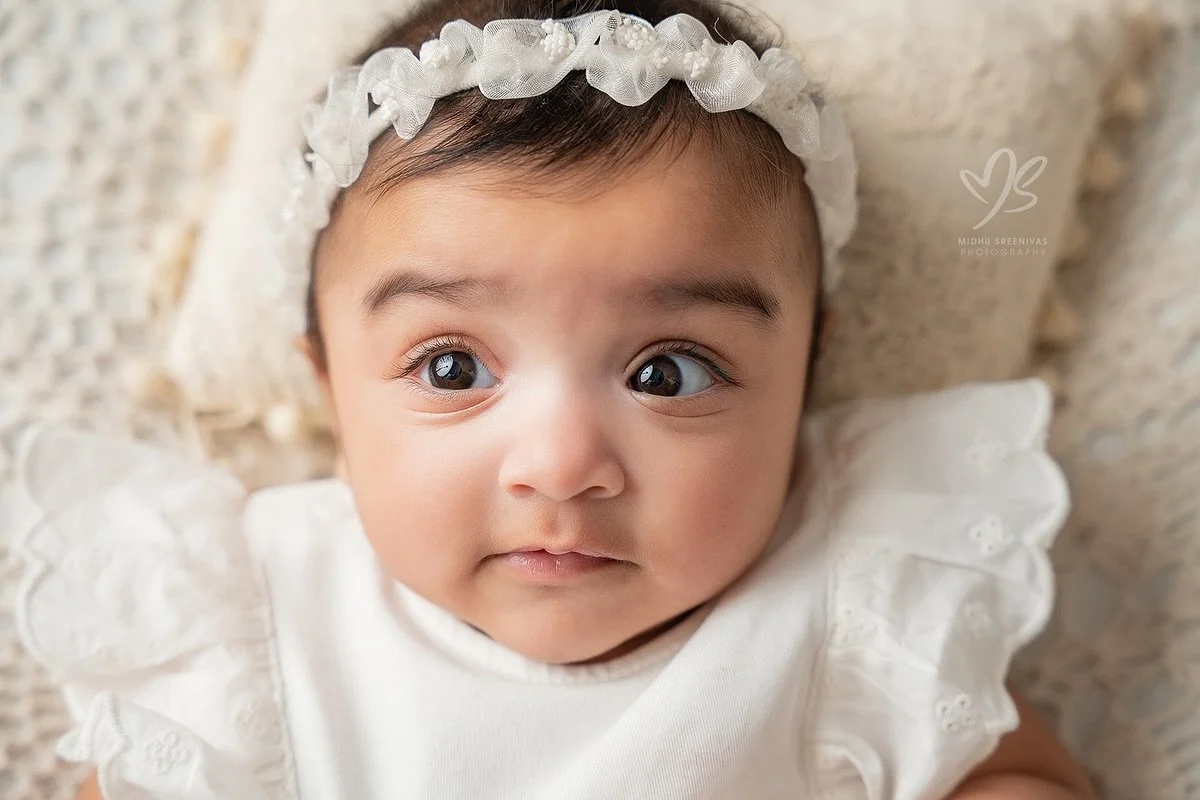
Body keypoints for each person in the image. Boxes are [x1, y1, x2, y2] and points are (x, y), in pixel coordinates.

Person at [11, 1, 1095, 797]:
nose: (562, 462)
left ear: (807, 370)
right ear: (328, 383)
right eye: (451, 368)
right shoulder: (254, 615)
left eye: (668, 371)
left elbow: (1022, 778)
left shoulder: (853, 598)